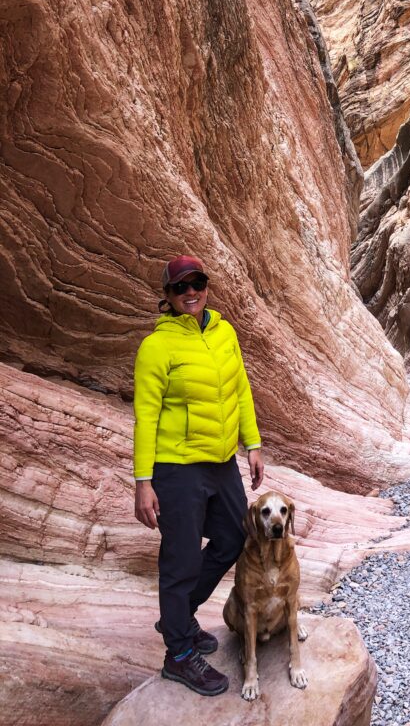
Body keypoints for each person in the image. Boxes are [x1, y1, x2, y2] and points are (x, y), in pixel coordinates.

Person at [133, 254, 264, 696]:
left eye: (198, 284)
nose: (191, 293)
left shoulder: (224, 331)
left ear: (207, 286)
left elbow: (240, 387)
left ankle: (178, 617)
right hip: (177, 468)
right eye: (180, 288)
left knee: (234, 537)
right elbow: (146, 416)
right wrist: (143, 481)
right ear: (167, 297)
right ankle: (180, 655)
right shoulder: (157, 347)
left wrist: (254, 444)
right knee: (182, 559)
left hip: (222, 461)